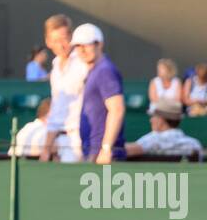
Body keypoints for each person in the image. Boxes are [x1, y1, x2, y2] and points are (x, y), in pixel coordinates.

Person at [73, 23, 126, 163]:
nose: (82, 50)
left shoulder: (105, 70)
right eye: (78, 46)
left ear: (99, 45)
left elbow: (117, 109)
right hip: (93, 152)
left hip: (103, 155)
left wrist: (106, 148)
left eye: (87, 45)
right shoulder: (94, 71)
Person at [39, 14, 87, 163]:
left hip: (80, 139)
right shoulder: (55, 66)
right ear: (47, 42)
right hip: (59, 142)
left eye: (64, 39)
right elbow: (56, 110)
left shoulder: (84, 63)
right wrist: (46, 149)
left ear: (72, 37)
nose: (60, 45)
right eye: (55, 40)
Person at [125, 99, 203, 161]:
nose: (151, 120)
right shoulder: (195, 145)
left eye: (153, 116)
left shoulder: (153, 139)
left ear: (160, 120)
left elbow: (125, 151)